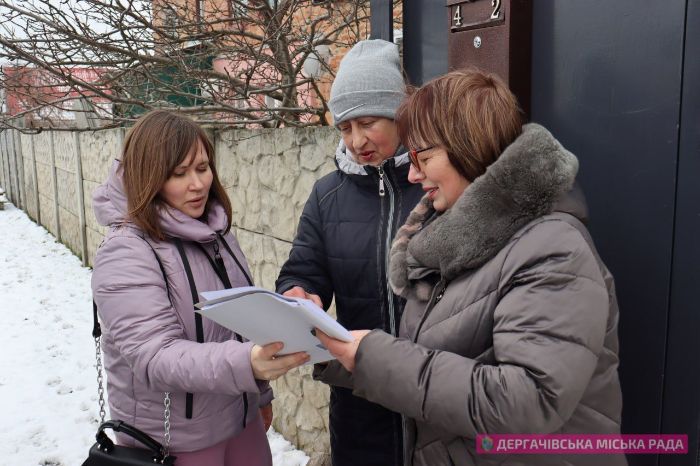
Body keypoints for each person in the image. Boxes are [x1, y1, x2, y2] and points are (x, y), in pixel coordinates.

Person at [315, 70, 627, 466]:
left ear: (468, 147)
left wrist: (372, 357)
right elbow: (441, 360)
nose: (413, 174)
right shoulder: (457, 242)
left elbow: (526, 403)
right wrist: (341, 356)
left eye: (423, 158)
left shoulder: (552, 249)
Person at [91, 110, 309, 466]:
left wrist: (259, 396)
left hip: (239, 420)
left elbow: (242, 324)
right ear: (149, 177)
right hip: (173, 441)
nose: (198, 184)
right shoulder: (126, 250)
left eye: (203, 167)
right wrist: (249, 366)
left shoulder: (214, 232)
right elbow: (154, 356)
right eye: (179, 173)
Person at [275, 39, 424, 466]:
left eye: (369, 122)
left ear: (400, 113)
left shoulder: (437, 182)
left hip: (431, 398)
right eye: (344, 127)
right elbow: (302, 269)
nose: (357, 140)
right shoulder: (327, 195)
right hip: (360, 405)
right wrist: (299, 294)